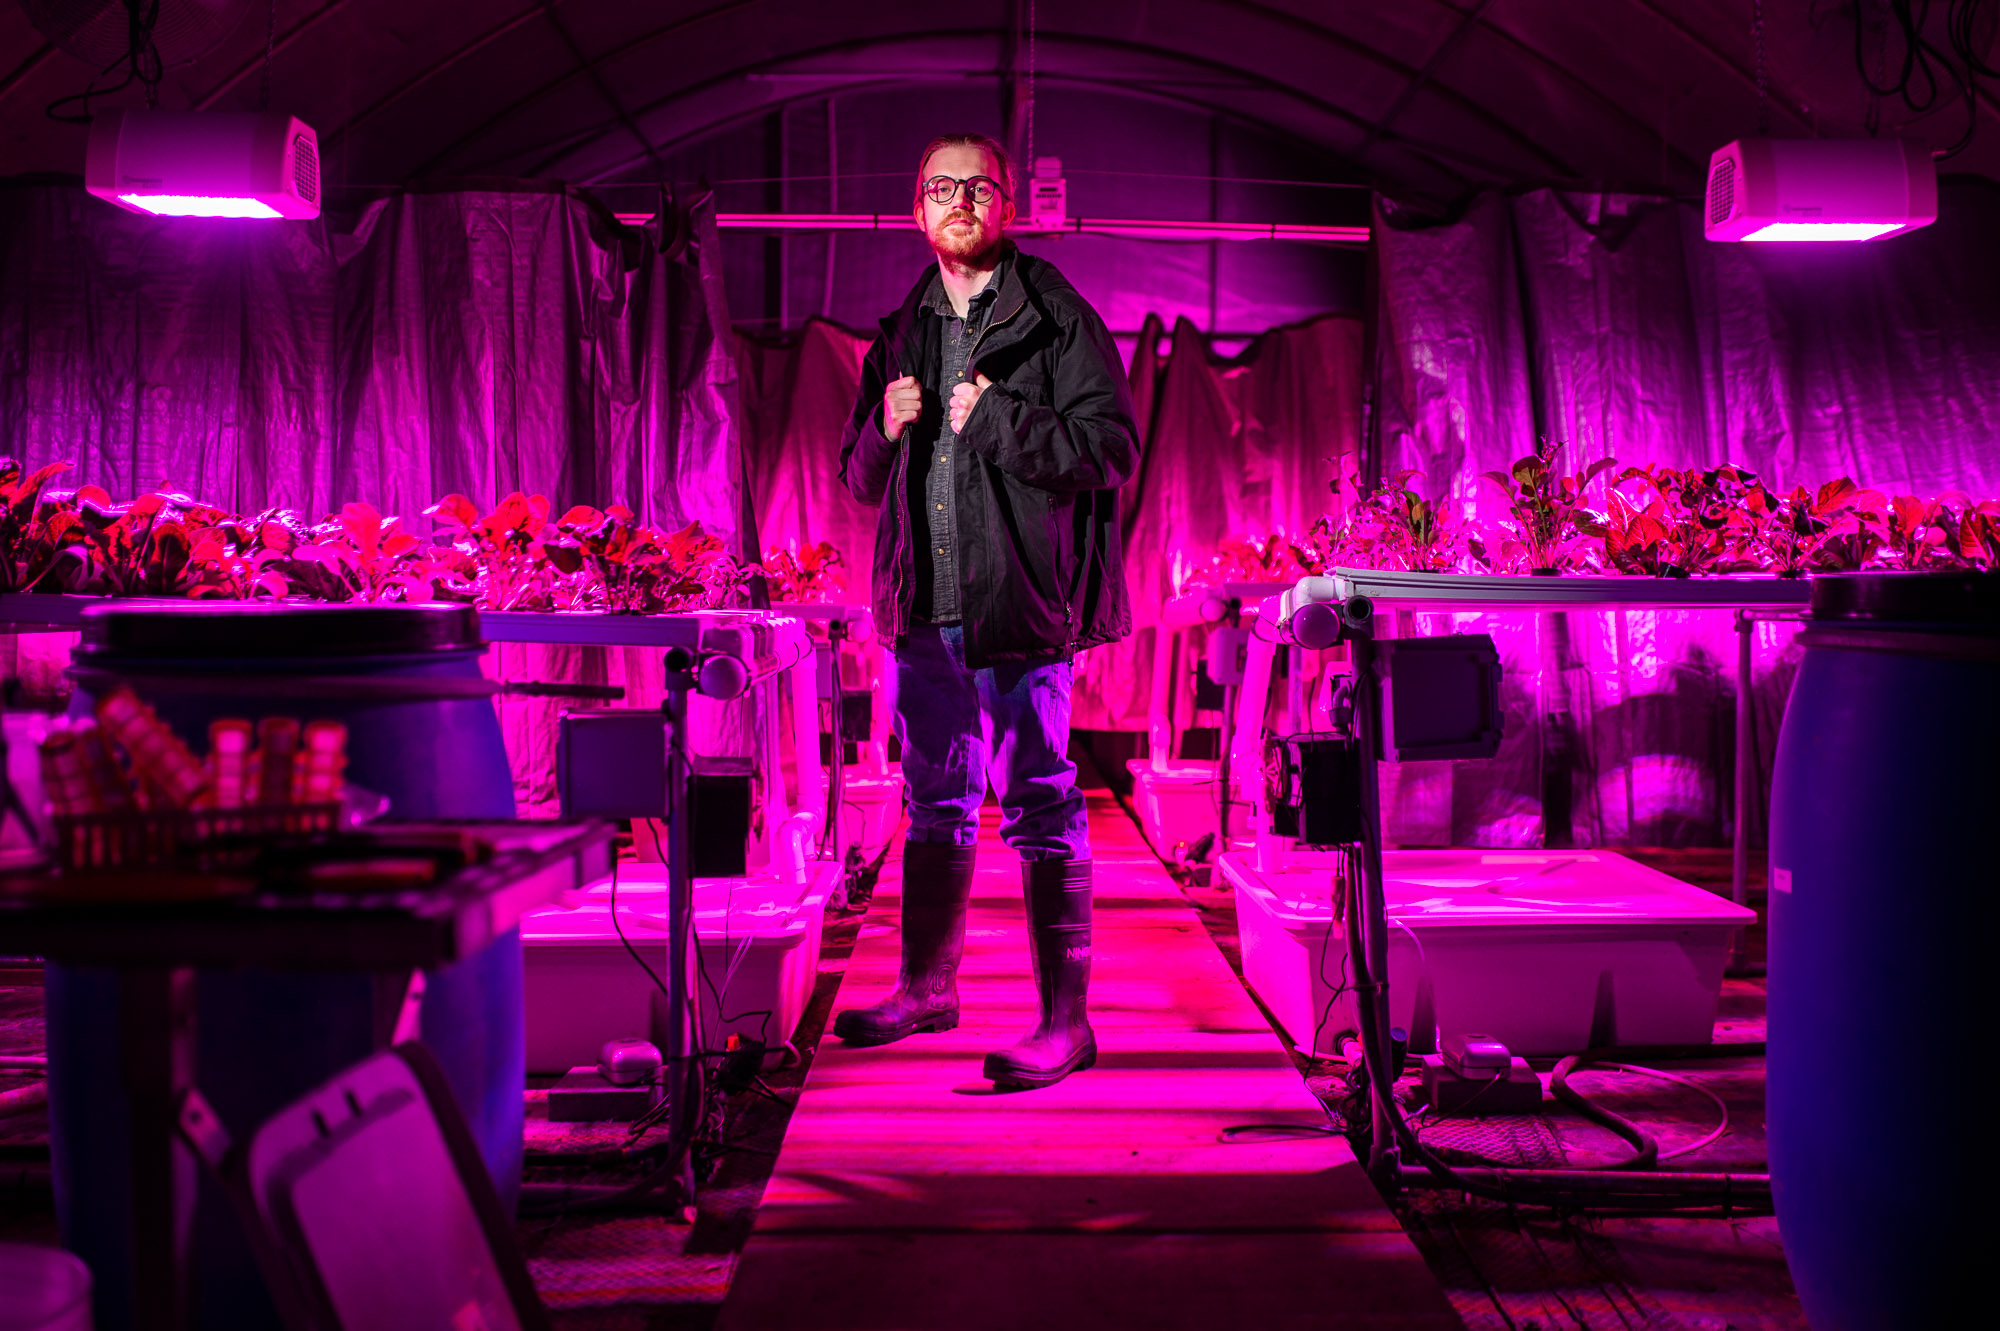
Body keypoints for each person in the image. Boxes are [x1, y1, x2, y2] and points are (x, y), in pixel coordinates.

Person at [831, 132, 1140, 1089]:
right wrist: (886, 427)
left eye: (977, 185)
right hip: (923, 613)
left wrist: (996, 416)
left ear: (1006, 205)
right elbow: (854, 479)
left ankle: (1066, 1024)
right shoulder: (899, 333)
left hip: (1018, 607)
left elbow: (1112, 449)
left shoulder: (1055, 318)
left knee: (1042, 803)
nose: (959, 199)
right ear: (916, 209)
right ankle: (928, 986)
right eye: (940, 186)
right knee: (935, 799)